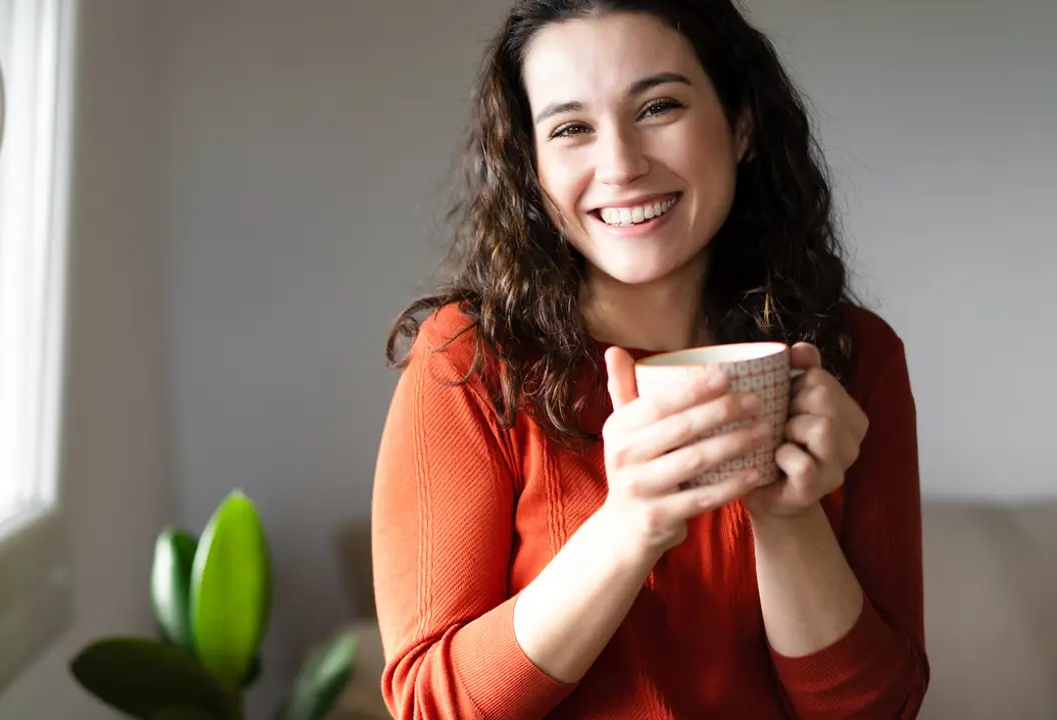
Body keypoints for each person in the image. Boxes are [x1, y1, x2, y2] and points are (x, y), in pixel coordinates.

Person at [370, 1, 931, 718]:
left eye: (659, 107)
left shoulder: (853, 357)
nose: (621, 166)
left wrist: (788, 516)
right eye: (571, 128)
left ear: (742, 124)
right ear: (532, 167)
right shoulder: (473, 361)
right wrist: (628, 527)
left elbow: (881, 710)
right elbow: (428, 706)